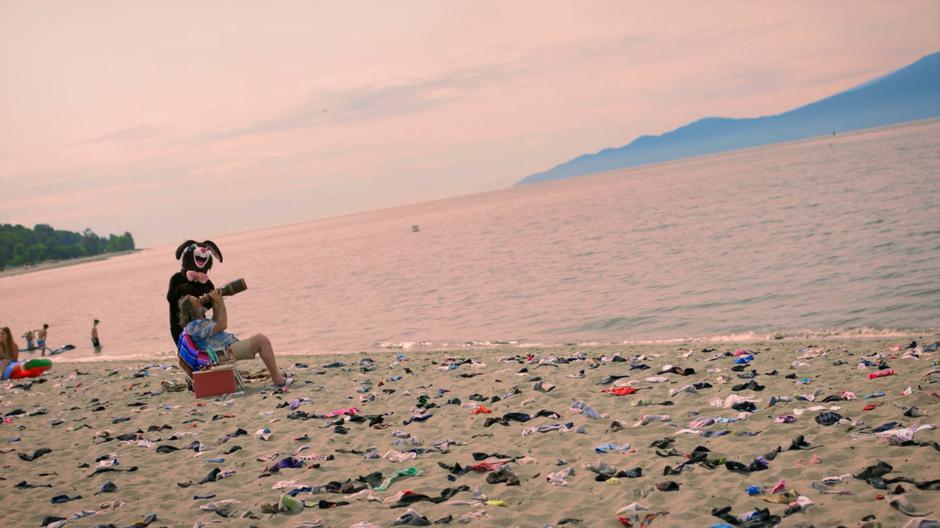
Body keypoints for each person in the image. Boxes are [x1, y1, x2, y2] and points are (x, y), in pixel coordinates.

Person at [177, 290, 291, 389]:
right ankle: (277, 379)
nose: (200, 300)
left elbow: (216, 321)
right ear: (191, 309)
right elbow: (222, 324)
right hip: (224, 354)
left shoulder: (197, 324)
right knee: (262, 340)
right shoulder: (194, 326)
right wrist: (220, 303)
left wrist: (216, 302)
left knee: (260, 340)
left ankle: (277, 375)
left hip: (224, 351)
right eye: (196, 301)